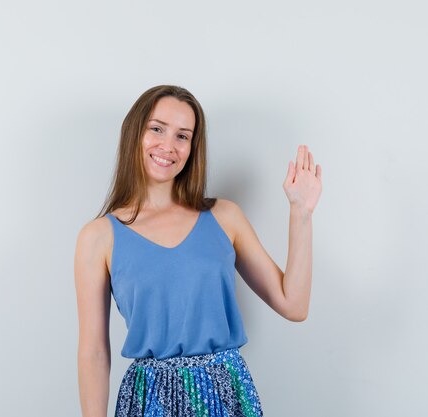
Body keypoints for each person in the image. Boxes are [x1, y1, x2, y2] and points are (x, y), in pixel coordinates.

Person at [74, 85, 322, 417]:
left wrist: (301, 213)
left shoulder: (224, 217)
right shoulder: (99, 236)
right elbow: (93, 351)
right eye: (157, 129)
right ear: (135, 132)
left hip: (226, 393)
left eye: (183, 136)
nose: (168, 145)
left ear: (193, 147)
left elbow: (294, 305)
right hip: (150, 400)